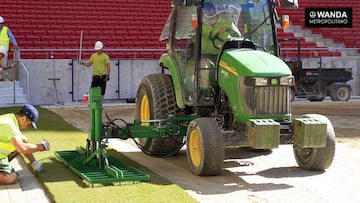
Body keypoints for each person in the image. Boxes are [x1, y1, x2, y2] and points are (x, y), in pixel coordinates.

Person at [0, 104, 50, 185]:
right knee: (11, 178)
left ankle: (34, 163)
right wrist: (42, 147)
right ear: (23, 119)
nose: (28, 127)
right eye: (29, 124)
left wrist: (34, 163)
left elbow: (22, 145)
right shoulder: (10, 126)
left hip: (1, 155)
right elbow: (22, 148)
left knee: (22, 140)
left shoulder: (10, 118)